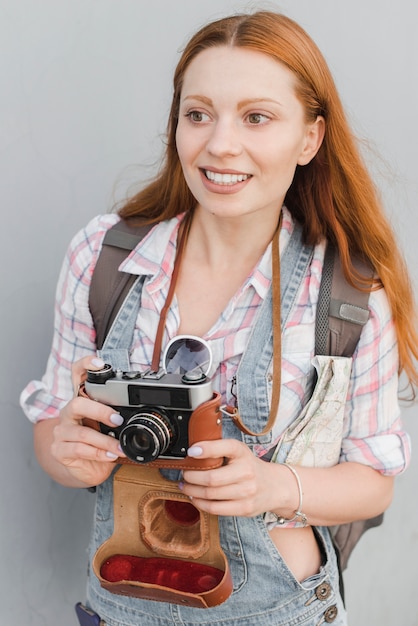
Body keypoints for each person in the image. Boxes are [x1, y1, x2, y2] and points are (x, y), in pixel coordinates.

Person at [20, 10, 417, 626]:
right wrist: (68, 450)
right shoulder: (102, 259)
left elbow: (374, 480)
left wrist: (273, 487)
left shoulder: (347, 293)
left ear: (309, 139)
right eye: (198, 114)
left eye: (256, 117)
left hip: (280, 612)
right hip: (121, 605)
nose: (219, 144)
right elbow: (51, 430)